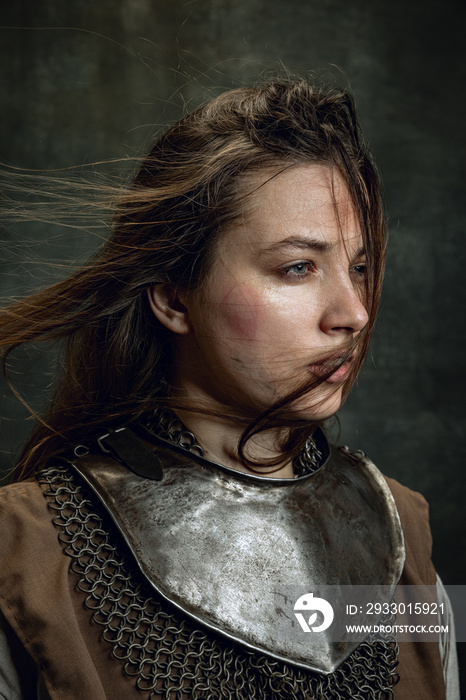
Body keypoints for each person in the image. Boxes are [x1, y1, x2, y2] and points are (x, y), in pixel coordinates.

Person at [0, 78, 459, 699]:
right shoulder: (25, 547)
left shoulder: (405, 528)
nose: (352, 312)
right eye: (297, 267)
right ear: (172, 296)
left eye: (359, 267)